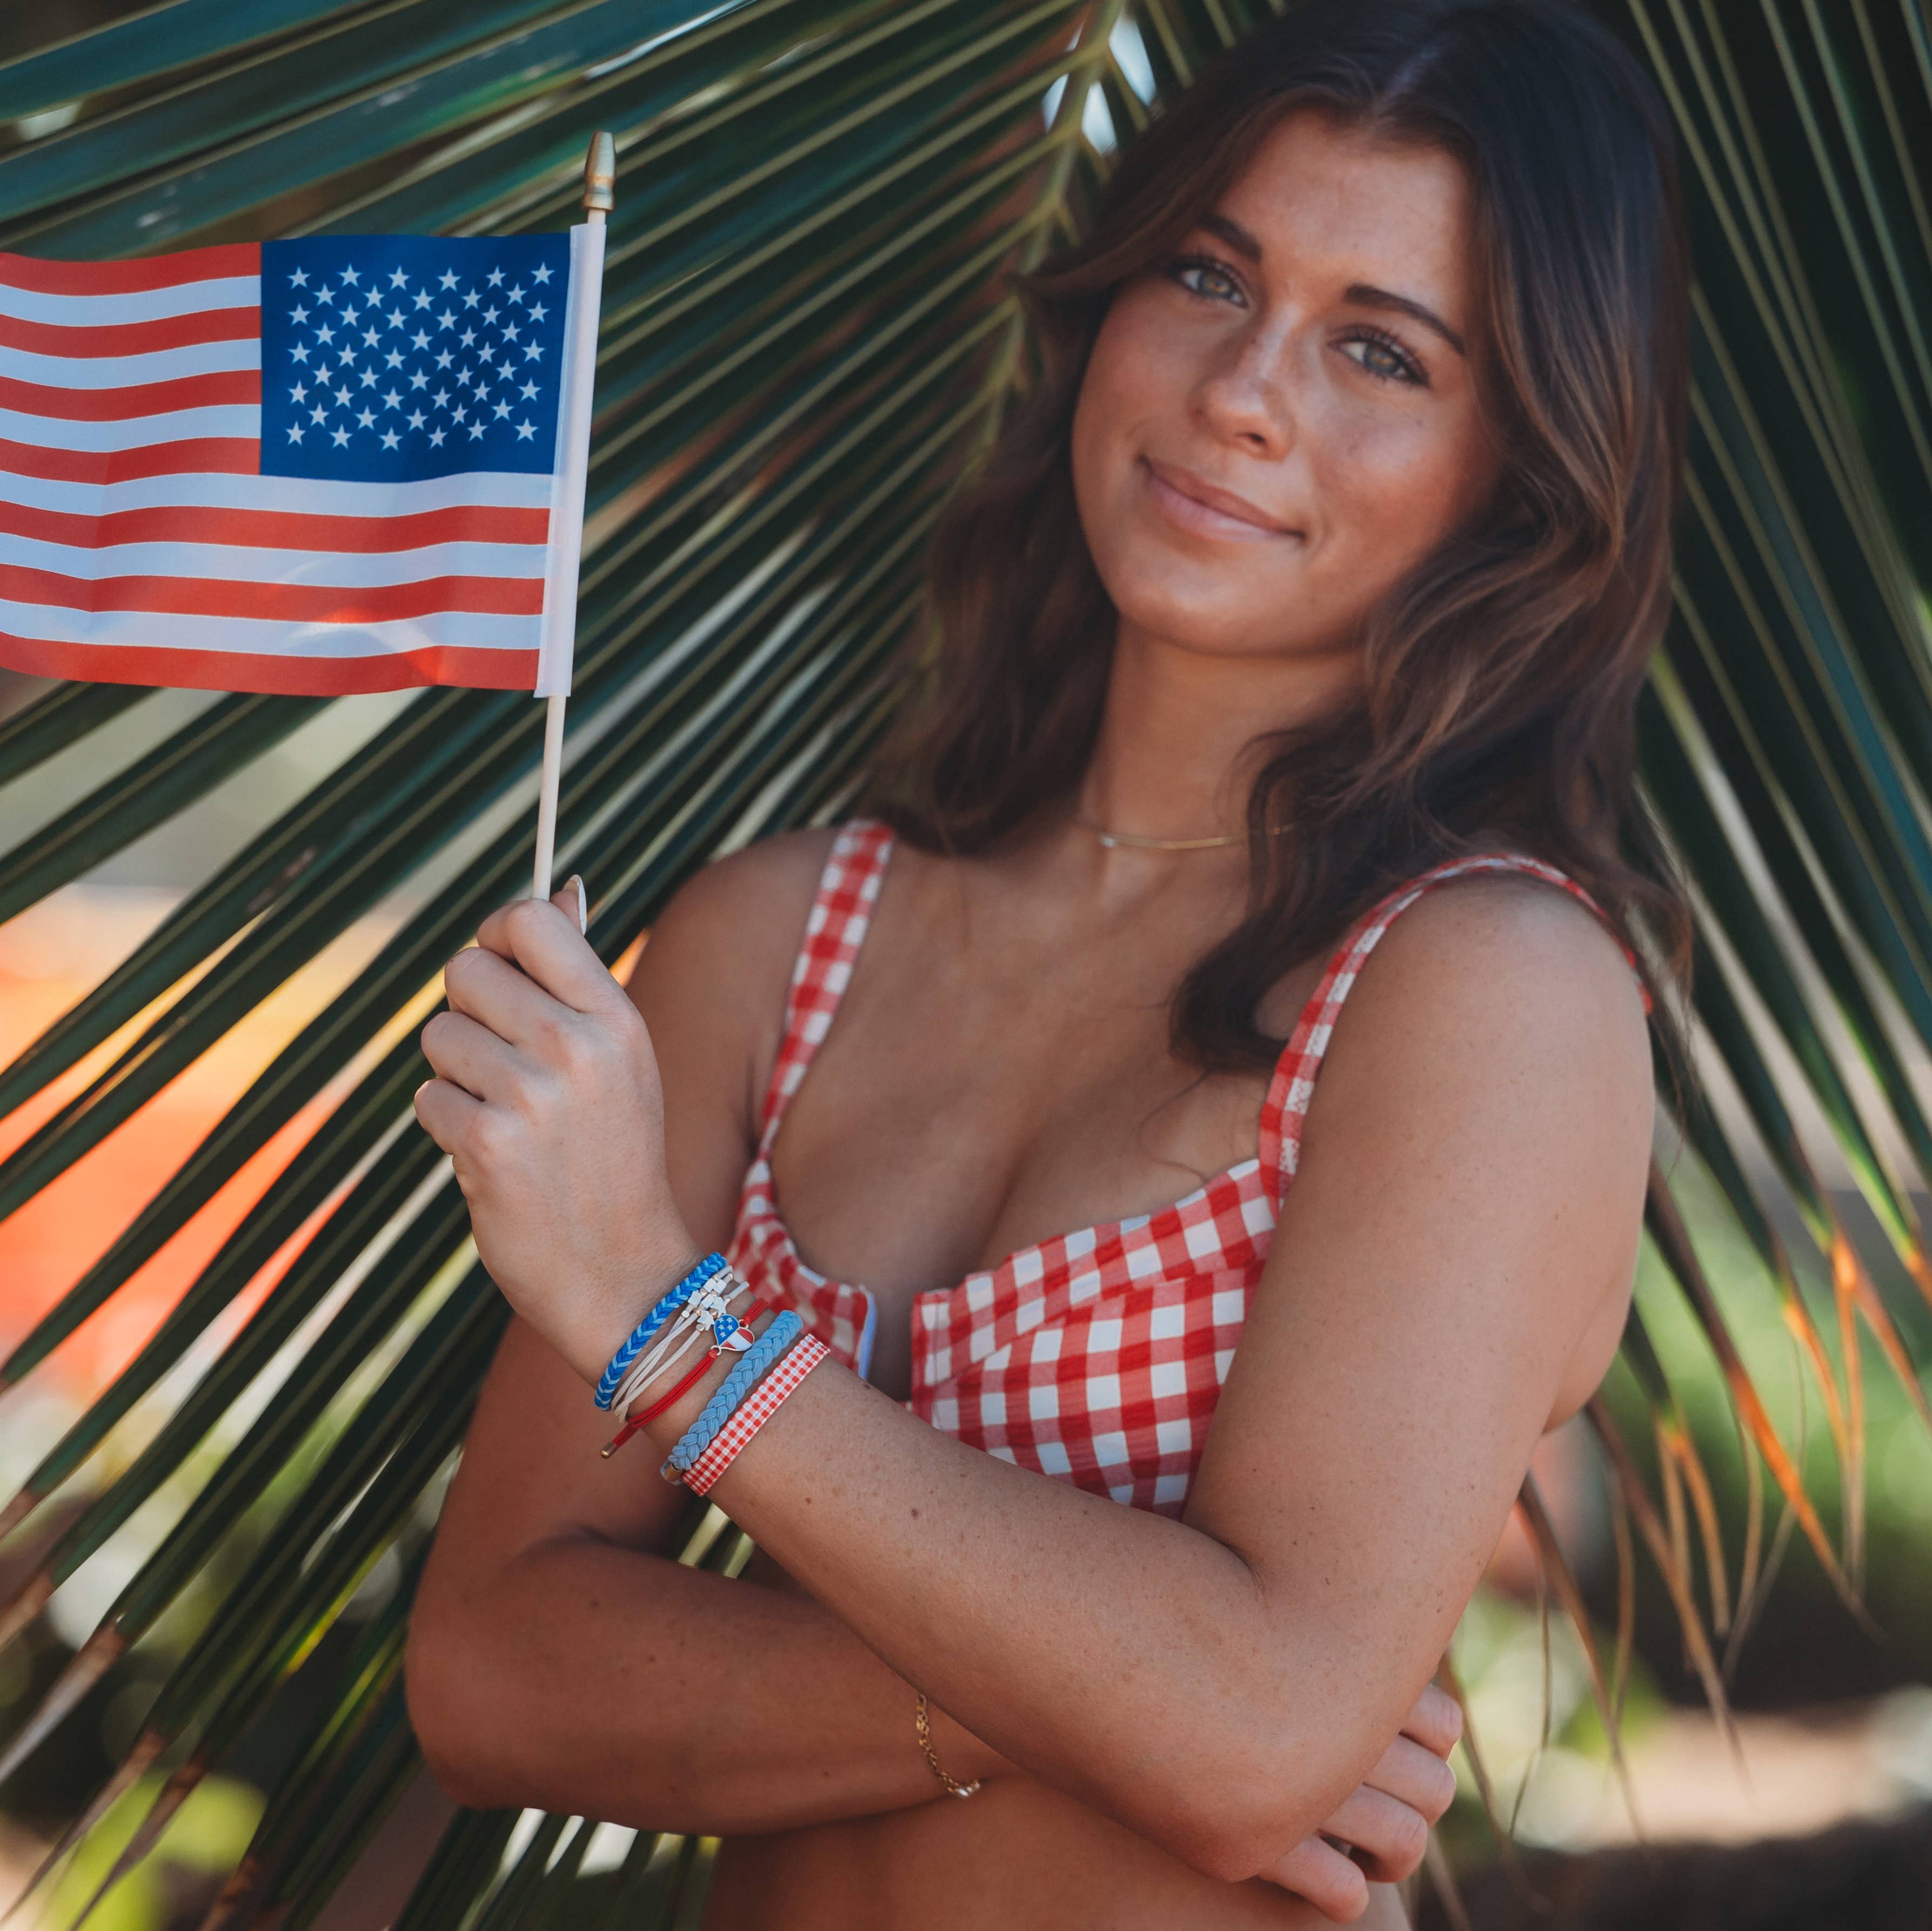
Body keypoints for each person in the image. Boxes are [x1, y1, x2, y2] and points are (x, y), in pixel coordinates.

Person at [400, 2, 1694, 1924]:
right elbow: (492, 1673)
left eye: (1379, 350)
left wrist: (665, 1318)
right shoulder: (773, 940)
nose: (1247, 391)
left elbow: (1250, 1724)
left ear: (1516, 476)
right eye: (1206, 272)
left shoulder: (1483, 996)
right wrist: (1136, 1692)